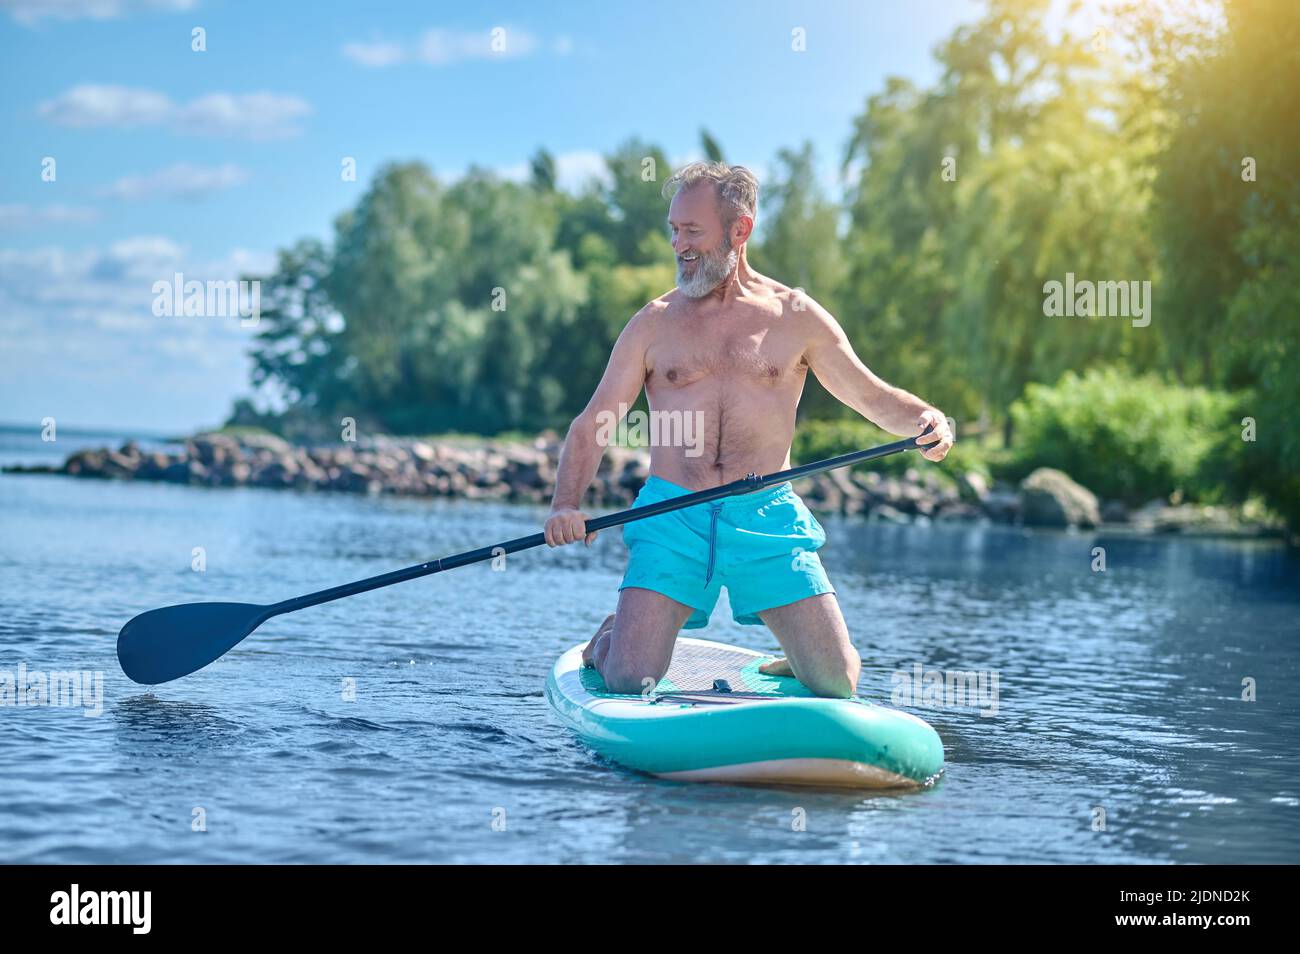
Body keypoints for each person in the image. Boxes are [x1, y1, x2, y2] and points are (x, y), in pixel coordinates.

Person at [543, 161, 953, 697]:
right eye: (674, 229)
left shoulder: (795, 316)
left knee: (837, 681)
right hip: (673, 515)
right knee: (629, 677)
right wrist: (565, 505)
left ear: (741, 230)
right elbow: (595, 422)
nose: (678, 244)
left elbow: (869, 395)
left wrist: (928, 420)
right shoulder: (653, 323)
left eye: (693, 231)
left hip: (766, 514)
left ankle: (798, 655)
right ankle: (609, 641)